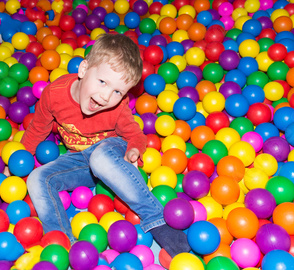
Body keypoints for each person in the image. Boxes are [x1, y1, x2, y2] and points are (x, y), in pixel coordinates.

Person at [20, 33, 191, 257]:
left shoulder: (117, 107)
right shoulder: (54, 95)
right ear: (83, 70)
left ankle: (159, 222)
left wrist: (133, 152)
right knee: (37, 178)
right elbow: (37, 129)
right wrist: (18, 162)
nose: (105, 96)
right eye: (102, 82)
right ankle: (64, 245)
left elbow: (135, 135)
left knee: (99, 157)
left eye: (118, 92)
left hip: (109, 153)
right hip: (80, 161)